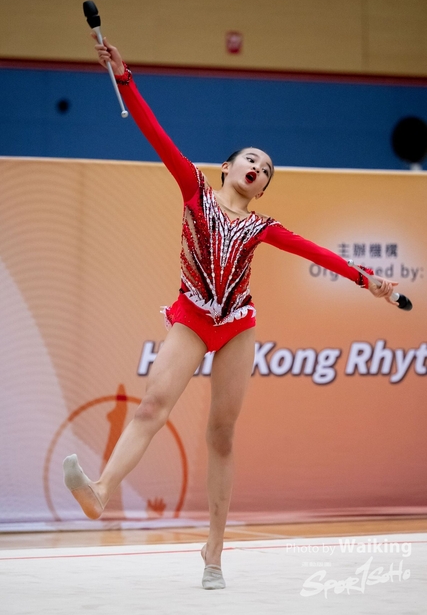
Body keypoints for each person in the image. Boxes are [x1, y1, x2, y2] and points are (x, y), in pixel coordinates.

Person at [63, 37, 398, 590]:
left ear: (262, 188)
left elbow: (317, 253)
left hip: (237, 325)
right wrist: (123, 77)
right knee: (151, 407)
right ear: (226, 167)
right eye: (251, 159)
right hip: (192, 318)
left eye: (266, 168)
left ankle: (214, 551)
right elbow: (155, 133)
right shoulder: (194, 188)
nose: (258, 167)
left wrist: (368, 281)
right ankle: (99, 491)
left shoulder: (263, 226)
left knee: (221, 433)